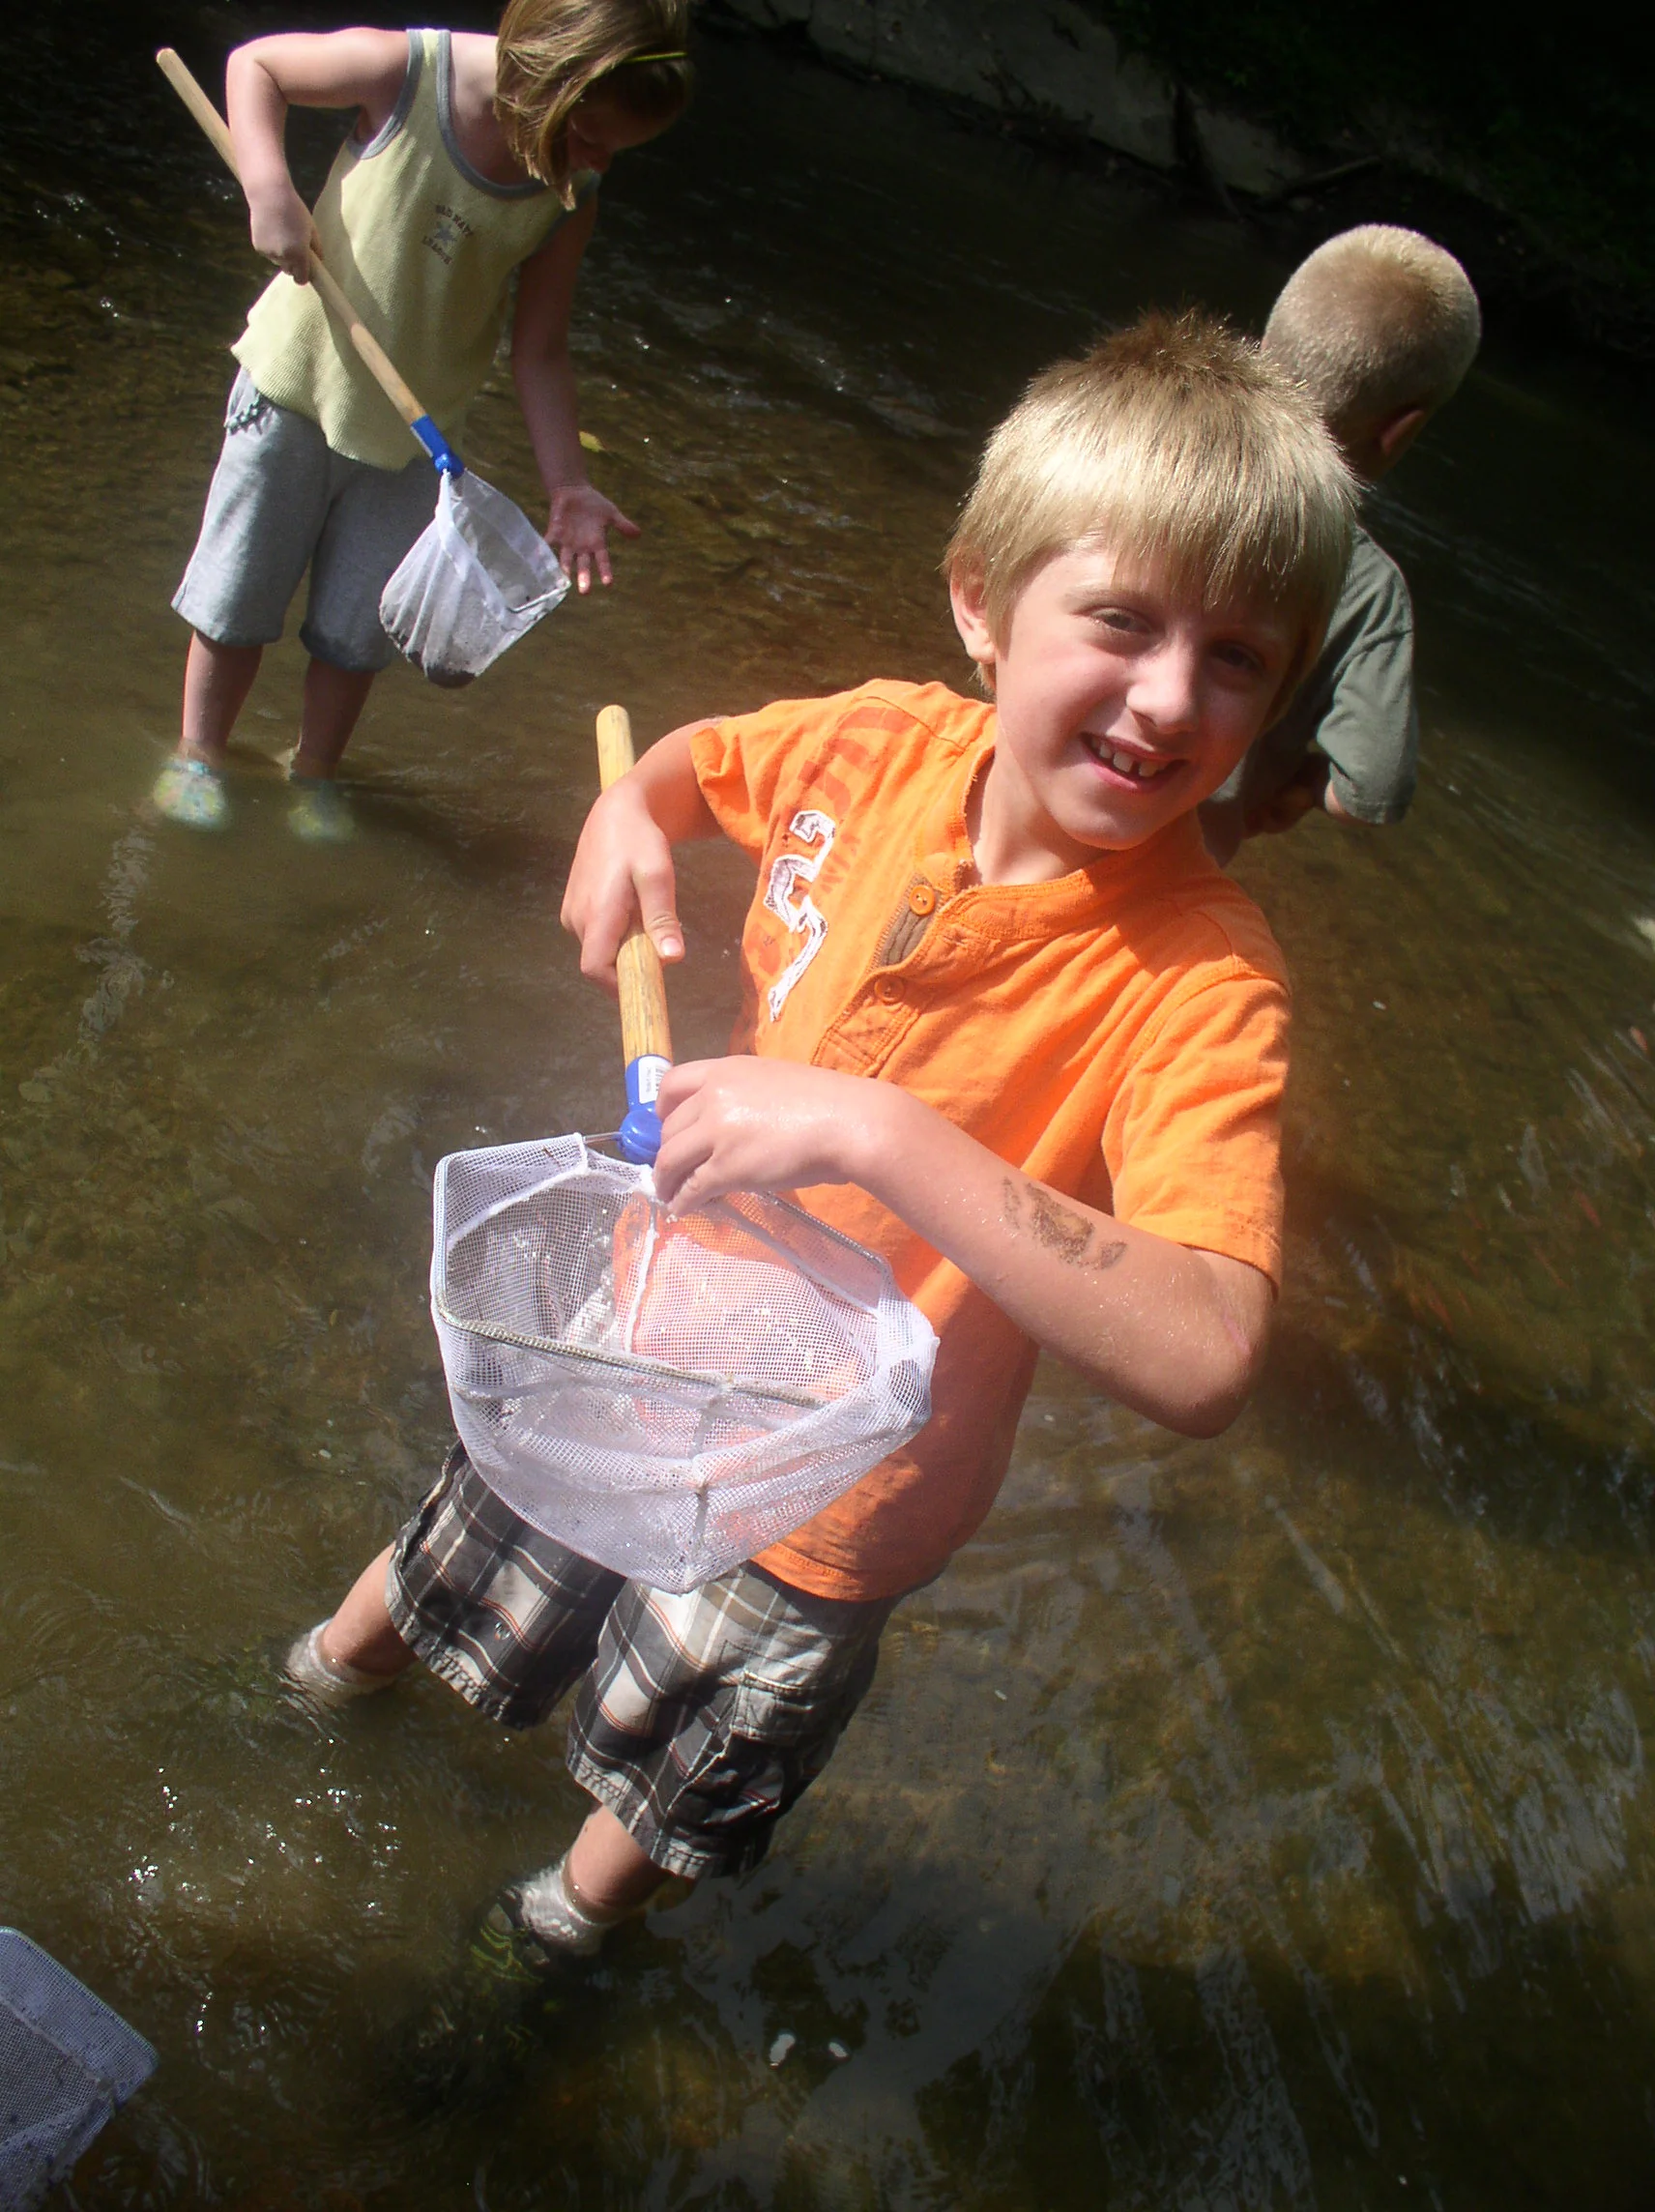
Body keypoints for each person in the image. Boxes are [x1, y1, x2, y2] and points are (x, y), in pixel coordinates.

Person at [285, 311, 1355, 1967]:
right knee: (463, 1545)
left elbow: (1208, 1344)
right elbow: (677, 769)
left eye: (1237, 657)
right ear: (982, 603)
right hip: (637, 1340)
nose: (1168, 699)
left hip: (843, 1499)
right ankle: (308, 1688)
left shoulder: (1202, 980)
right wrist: (619, 829)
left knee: (667, 1769)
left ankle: (555, 1929)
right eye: (1122, 621)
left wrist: (883, 1129)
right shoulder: (875, 744)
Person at [154, 2, 690, 842]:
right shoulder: (411, 72)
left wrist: (568, 482)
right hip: (295, 391)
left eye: (615, 151)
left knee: (356, 632)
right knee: (236, 600)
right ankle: (198, 754)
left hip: (414, 445)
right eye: (590, 136)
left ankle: (316, 772)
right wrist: (270, 189)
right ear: (540, 78)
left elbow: (541, 349)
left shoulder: (568, 193)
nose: (597, 161)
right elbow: (256, 68)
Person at [1199, 224, 1481, 866]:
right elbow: (1370, 790)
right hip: (1166, 884)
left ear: (1262, 345)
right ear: (1402, 432)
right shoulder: (1365, 586)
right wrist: (1299, 787)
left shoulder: (1137, 442)